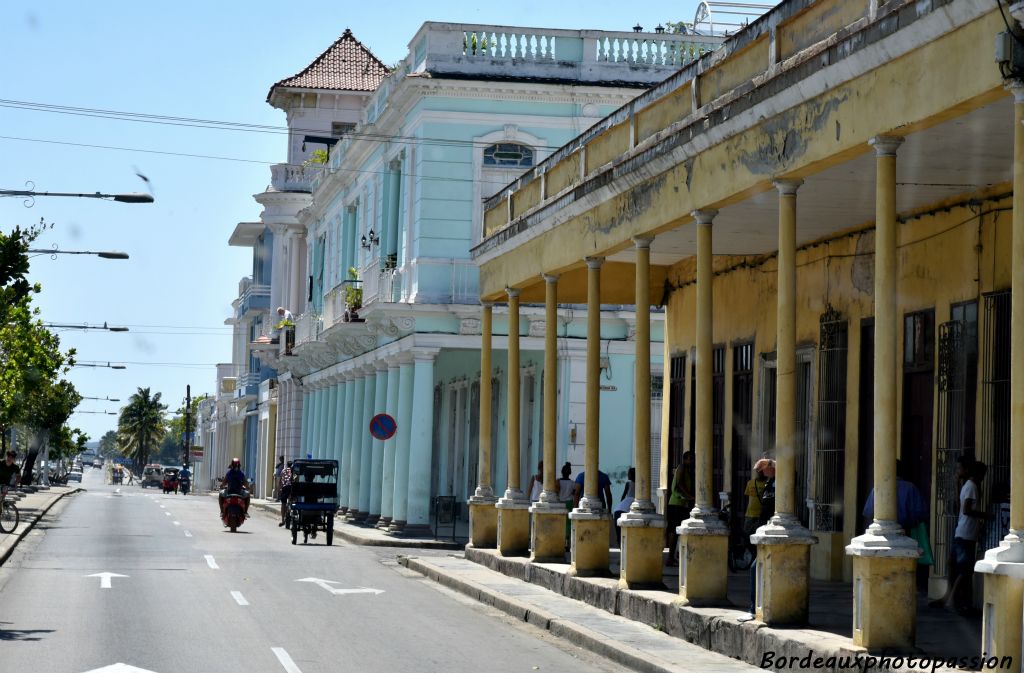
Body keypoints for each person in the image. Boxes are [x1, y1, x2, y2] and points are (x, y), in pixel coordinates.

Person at [931, 458, 988, 615]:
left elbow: (961, 506)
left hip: (963, 532)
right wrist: (986, 515)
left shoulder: (967, 486)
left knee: (958, 567)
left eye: (958, 469)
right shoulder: (971, 487)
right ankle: (952, 599)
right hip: (966, 533)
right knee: (964, 569)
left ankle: (954, 599)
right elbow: (966, 510)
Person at [739, 458, 775, 623]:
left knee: (756, 569)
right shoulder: (770, 483)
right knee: (756, 568)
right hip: (763, 531)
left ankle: (754, 609)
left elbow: (788, 471)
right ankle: (755, 608)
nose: (761, 472)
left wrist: (770, 461)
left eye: (763, 468)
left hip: (773, 533)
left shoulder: (780, 481)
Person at [861, 459, 928, 532]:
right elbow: (921, 513)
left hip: (882, 531)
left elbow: (868, 512)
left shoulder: (878, 487)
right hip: (906, 532)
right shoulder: (910, 488)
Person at [665, 451, 695, 566]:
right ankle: (670, 557)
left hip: (682, 504)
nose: (692, 461)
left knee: (679, 531)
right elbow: (679, 484)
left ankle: (676, 555)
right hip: (676, 503)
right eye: (690, 459)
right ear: (685, 459)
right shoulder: (681, 468)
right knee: (674, 531)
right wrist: (689, 496)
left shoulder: (688, 471)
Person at [613, 467, 636, 546]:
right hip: (626, 506)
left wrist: (621, 503)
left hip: (626, 506)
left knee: (619, 530)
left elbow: (623, 496)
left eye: (629, 473)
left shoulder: (629, 484)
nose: (628, 475)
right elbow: (623, 496)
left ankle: (620, 544)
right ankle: (620, 543)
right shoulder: (629, 483)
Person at [278, 460, 293, 527]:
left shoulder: (283, 471)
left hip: (284, 488)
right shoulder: (293, 471)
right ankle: (290, 512)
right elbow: (296, 480)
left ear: (287, 465)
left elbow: (280, 480)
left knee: (283, 504)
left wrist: (279, 489)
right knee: (291, 501)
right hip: (291, 488)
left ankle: (282, 520)